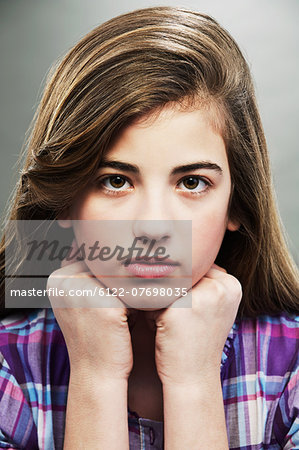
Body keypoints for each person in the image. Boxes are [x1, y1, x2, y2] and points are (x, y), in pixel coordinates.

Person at [0, 6, 298, 449]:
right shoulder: (11, 366)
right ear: (65, 197)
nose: (152, 227)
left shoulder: (291, 368)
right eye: (116, 181)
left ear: (238, 202)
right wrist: (96, 378)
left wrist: (193, 382)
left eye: (192, 182)